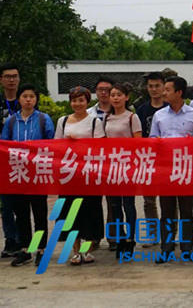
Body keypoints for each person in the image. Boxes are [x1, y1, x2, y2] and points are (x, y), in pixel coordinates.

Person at [150, 76, 193, 264]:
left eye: (167, 89)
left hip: (186, 170)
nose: (164, 93)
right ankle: (166, 248)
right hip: (165, 170)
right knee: (167, 210)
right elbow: (153, 140)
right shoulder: (159, 115)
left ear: (179, 93)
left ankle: (187, 248)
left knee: (187, 210)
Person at [1, 84, 55, 266]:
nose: (28, 99)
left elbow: (52, 144)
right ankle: (25, 250)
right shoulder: (11, 121)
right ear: (19, 99)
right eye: (25, 96)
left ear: (36, 99)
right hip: (18, 174)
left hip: (38, 173)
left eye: (32, 96)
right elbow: (4, 145)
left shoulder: (43, 119)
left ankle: (40, 249)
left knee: (40, 213)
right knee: (21, 214)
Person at [55, 86, 106, 265]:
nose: (77, 104)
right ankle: (75, 252)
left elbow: (101, 148)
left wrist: (82, 144)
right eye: (74, 100)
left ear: (87, 101)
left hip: (89, 175)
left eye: (81, 100)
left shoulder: (95, 122)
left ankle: (88, 250)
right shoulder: (62, 121)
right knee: (71, 213)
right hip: (69, 176)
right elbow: (56, 147)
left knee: (90, 212)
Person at [104, 83, 142, 258]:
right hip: (110, 168)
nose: (115, 98)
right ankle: (119, 239)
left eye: (119, 94)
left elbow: (138, 143)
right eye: (112, 95)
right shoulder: (105, 118)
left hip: (127, 167)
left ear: (126, 97)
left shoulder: (132, 117)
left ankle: (130, 239)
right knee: (114, 206)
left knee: (128, 205)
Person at [135, 72, 168, 248]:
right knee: (149, 200)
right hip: (148, 160)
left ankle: (170, 234)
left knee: (169, 200)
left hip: (169, 161)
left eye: (157, 86)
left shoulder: (171, 108)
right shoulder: (142, 110)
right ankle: (153, 234)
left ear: (164, 87)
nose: (154, 89)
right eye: (150, 86)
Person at [87, 76, 117, 251]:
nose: (104, 92)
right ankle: (95, 236)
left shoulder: (121, 112)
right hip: (93, 164)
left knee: (113, 202)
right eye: (100, 89)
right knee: (94, 202)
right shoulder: (89, 113)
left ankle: (113, 236)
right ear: (96, 92)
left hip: (114, 163)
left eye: (108, 89)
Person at [0, 63, 21, 258]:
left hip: (24, 161)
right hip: (2, 161)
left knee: (23, 203)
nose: (11, 80)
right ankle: (10, 240)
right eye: (7, 76)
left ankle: (24, 239)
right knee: (6, 204)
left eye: (14, 76)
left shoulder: (27, 101)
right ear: (1, 80)